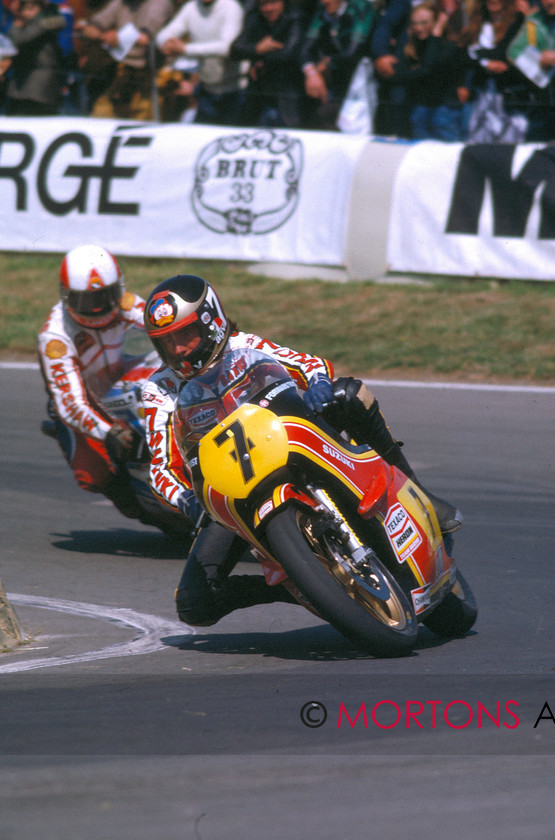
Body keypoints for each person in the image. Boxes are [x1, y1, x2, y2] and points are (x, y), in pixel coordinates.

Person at [142, 274, 462, 628]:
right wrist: (186, 500)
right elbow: (160, 468)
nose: (179, 350)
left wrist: (320, 386)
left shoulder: (244, 345)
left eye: (185, 336)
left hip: (291, 442)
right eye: (166, 343)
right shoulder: (158, 390)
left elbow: (311, 364)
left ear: (213, 322)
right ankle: (299, 583)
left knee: (349, 394)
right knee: (193, 605)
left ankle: (422, 495)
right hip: (229, 489)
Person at [38, 244, 149, 521]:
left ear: (119, 288)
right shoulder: (56, 338)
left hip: (123, 380)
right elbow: (71, 404)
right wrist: (108, 432)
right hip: (85, 402)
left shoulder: (127, 305)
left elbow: (164, 324)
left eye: (105, 296)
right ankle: (136, 503)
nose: (98, 307)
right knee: (92, 476)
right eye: (87, 300)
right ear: (66, 296)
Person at [78, 0, 175, 120]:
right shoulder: (121, 3)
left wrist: (116, 37)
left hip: (153, 77)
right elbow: (90, 27)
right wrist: (101, 35)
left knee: (144, 125)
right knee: (100, 115)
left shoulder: (160, 3)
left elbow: (145, 38)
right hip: (124, 73)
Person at [155, 0, 245, 126]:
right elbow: (163, 35)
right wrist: (167, 42)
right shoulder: (191, 7)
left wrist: (185, 49)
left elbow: (226, 47)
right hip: (206, 92)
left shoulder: (231, 7)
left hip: (235, 93)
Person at [390, 0, 469, 140]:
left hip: (444, 110)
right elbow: (397, 75)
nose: (419, 28)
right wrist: (420, 72)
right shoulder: (411, 46)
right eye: (415, 23)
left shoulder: (450, 46)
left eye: (424, 23)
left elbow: (429, 66)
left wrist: (436, 34)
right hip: (420, 108)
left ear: (438, 22)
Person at [299, 0, 376, 130]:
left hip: (362, 78)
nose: (324, 1)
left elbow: (353, 52)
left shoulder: (361, 7)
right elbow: (305, 49)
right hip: (335, 76)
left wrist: (328, 63)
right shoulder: (323, 8)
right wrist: (311, 72)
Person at [458, 0, 529, 142]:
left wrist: (480, 58)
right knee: (479, 143)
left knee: (509, 143)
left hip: (509, 96)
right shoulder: (476, 26)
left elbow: (504, 55)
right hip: (482, 94)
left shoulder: (517, 24)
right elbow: (463, 55)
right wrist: (485, 62)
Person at [230, 0, 307, 128]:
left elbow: (290, 53)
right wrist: (257, 49)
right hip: (260, 95)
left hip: (288, 96)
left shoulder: (296, 17)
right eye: (263, 4)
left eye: (273, 2)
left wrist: (261, 60)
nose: (268, 8)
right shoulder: (255, 18)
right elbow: (234, 50)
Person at [5, 0, 66, 115]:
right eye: (25, 9)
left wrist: (17, 24)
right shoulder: (30, 24)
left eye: (32, 8)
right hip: (22, 84)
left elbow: (19, 40)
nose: (27, 13)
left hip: (38, 87)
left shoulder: (45, 23)